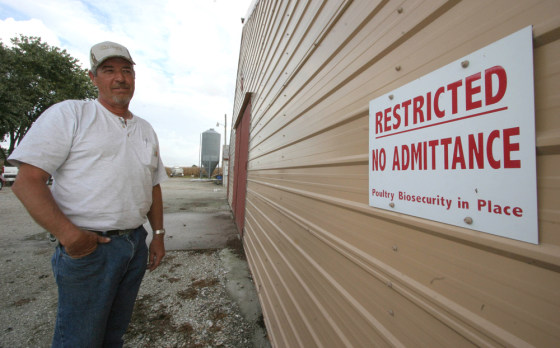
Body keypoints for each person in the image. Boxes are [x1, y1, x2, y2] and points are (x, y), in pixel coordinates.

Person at [8, 41, 167, 347]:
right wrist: (71, 237)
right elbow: (27, 181)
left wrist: (157, 234)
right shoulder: (71, 114)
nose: (120, 77)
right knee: (80, 339)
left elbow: (153, 185)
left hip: (133, 245)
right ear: (93, 78)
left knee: (113, 334)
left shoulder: (146, 129)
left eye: (126, 70)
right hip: (92, 248)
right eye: (109, 70)